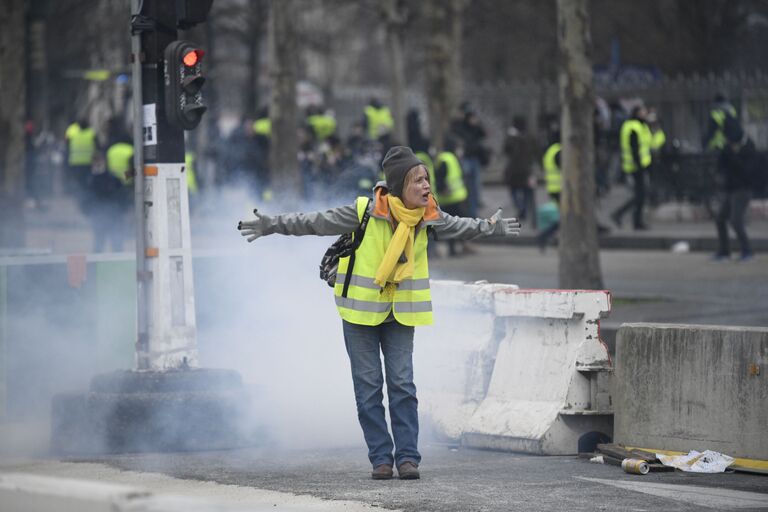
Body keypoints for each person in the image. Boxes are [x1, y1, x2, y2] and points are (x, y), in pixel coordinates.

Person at [237, 146, 520, 480]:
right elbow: (314, 222)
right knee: (368, 388)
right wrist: (273, 225)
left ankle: (408, 458)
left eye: (427, 179)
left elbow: (462, 226)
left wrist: (492, 227)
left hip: (400, 314)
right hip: (359, 315)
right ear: (400, 185)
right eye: (418, 180)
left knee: (402, 385)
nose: (427, 186)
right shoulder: (365, 212)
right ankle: (381, 458)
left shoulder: (428, 216)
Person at [713, 119, 756, 261]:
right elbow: (721, 164)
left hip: (743, 188)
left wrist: (734, 155)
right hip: (730, 188)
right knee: (720, 218)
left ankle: (747, 250)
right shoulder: (727, 146)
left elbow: (748, 170)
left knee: (735, 220)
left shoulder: (747, 146)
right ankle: (724, 251)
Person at [611, 105, 652, 230]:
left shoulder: (641, 125)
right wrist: (638, 164)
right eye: (643, 111)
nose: (646, 113)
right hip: (635, 167)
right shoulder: (633, 127)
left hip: (641, 165)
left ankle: (622, 215)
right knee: (640, 195)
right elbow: (634, 148)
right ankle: (634, 220)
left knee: (640, 195)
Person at [503, 116, 538, 222]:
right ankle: (524, 210)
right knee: (527, 192)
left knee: (514, 191)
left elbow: (506, 150)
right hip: (527, 169)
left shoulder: (512, 138)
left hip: (515, 170)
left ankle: (521, 208)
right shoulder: (530, 137)